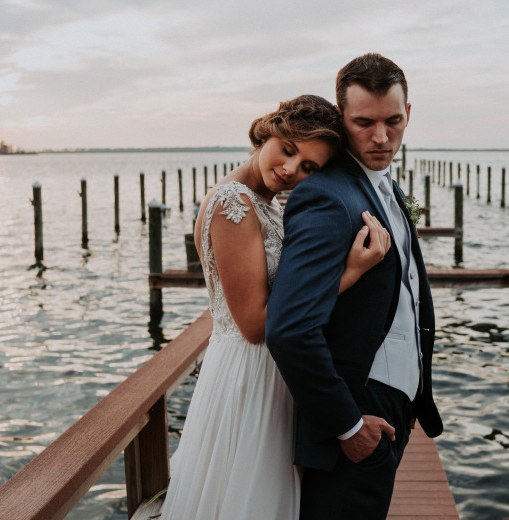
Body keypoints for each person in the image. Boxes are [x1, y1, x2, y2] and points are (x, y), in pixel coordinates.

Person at [161, 94, 391, 520]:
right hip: (249, 374)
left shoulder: (262, 202)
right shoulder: (234, 205)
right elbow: (253, 323)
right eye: (288, 150)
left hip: (270, 372)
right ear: (268, 131)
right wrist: (350, 273)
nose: (290, 170)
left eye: (308, 168)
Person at [266, 53, 443, 520]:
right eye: (364, 122)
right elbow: (289, 329)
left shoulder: (384, 185)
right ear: (341, 119)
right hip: (358, 411)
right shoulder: (325, 196)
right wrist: (346, 426)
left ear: (409, 115)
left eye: (393, 121)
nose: (381, 137)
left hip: (394, 403)